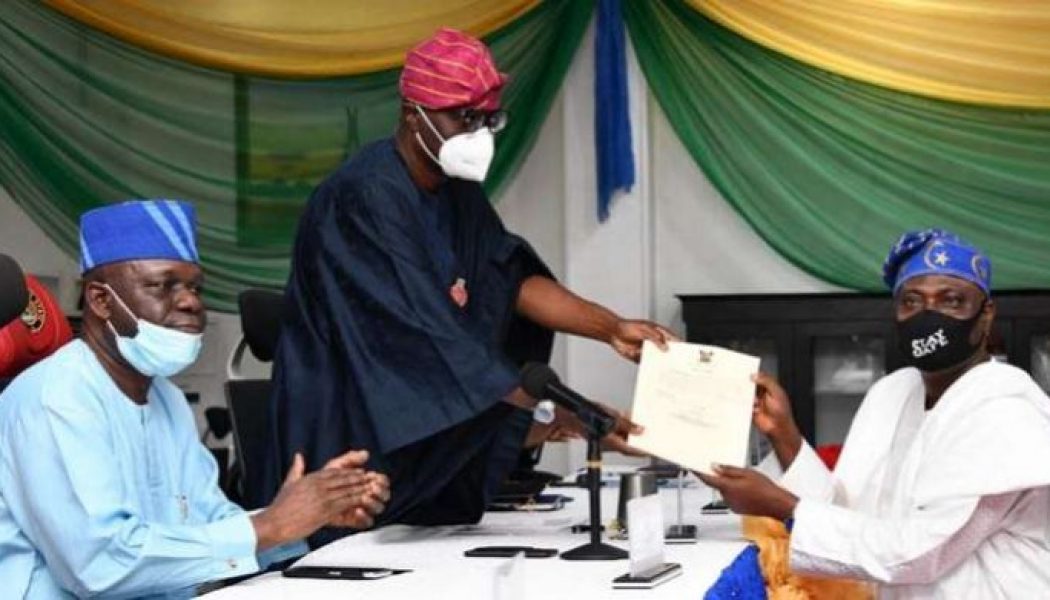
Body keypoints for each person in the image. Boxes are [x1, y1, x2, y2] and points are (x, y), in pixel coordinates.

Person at [267, 28, 673, 538]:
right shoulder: (365, 197)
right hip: (348, 422)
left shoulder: (455, 191)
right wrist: (576, 415)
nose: (477, 133)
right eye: (463, 117)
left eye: (487, 119)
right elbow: (427, 335)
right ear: (412, 114)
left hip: (410, 422)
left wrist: (611, 329)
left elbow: (509, 280)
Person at [0, 200, 390, 599]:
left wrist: (305, 517)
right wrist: (271, 526)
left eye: (194, 287)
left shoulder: (165, 397)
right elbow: (101, 564)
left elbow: (211, 521)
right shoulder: (56, 398)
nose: (190, 302)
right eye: (162, 285)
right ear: (101, 301)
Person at [699, 229, 1050, 598]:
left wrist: (784, 506)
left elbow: (919, 554)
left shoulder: (1006, 412)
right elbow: (849, 518)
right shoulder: (892, 392)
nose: (929, 315)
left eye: (951, 301)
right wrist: (783, 432)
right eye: (912, 301)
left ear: (986, 315)